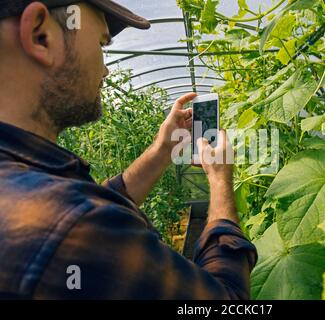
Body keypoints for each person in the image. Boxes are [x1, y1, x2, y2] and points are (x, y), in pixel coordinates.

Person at [0, 0, 257, 299]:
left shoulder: (21, 184)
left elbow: (99, 201)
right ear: (40, 35)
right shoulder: (71, 224)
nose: (106, 69)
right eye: (101, 43)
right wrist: (220, 178)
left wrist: (162, 150)